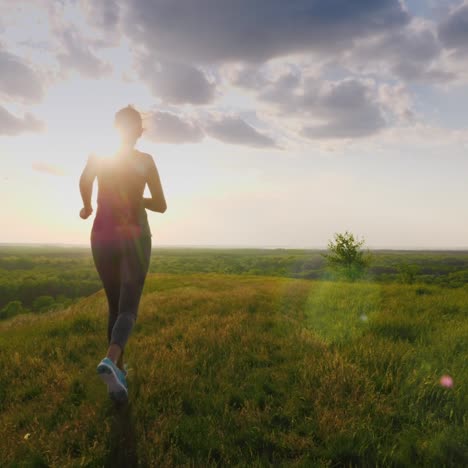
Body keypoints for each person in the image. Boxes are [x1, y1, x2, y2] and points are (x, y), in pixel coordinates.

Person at [79, 105, 167, 401]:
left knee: (114, 306)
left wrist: (88, 205)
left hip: (102, 235)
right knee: (128, 307)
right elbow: (161, 204)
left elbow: (84, 180)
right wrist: (136, 199)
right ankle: (110, 359)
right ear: (140, 132)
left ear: (115, 128)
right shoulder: (145, 161)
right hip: (134, 237)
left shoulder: (99, 157)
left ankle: (118, 380)